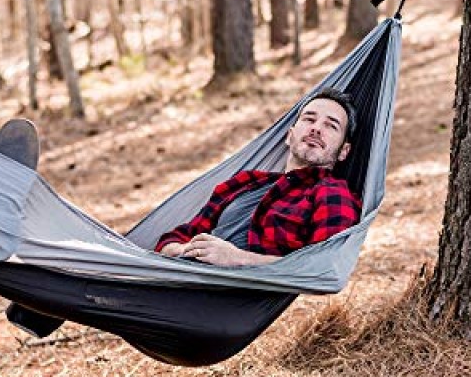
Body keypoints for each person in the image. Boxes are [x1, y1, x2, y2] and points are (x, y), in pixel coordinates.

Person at [155, 88, 361, 267]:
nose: (316, 128)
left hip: (222, 300)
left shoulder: (332, 193)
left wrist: (237, 258)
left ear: (344, 151)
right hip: (179, 277)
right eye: (309, 119)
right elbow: (173, 238)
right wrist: (185, 250)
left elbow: (324, 268)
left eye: (331, 125)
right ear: (289, 136)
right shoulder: (246, 182)